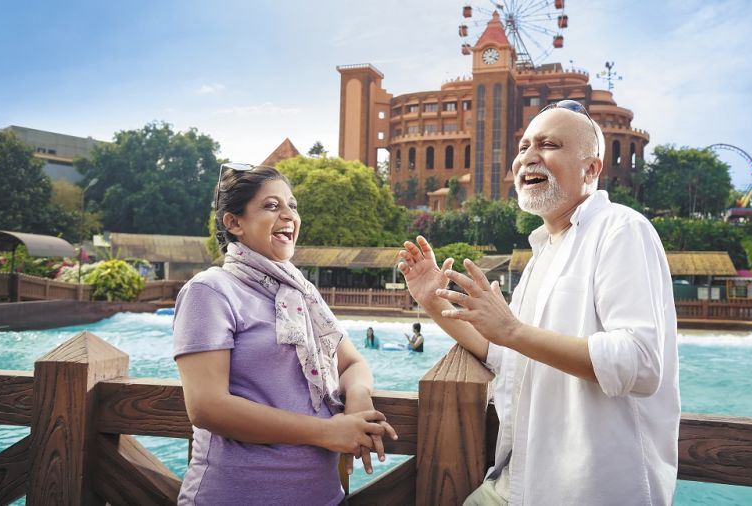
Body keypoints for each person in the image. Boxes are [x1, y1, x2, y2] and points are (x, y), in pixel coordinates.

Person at [397, 101, 680, 505]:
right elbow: (508, 354)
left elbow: (639, 363)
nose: (528, 157)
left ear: (591, 169)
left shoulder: (622, 229)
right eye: (524, 146)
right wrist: (430, 298)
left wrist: (514, 330)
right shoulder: (541, 255)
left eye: (548, 145)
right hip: (519, 483)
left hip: (589, 489)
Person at [173, 163, 396, 505]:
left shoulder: (302, 293)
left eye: (292, 205)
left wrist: (358, 404)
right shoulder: (210, 290)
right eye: (271, 206)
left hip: (322, 497)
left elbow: (351, 363)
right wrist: (328, 432)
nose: (289, 215)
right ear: (234, 222)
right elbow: (207, 407)